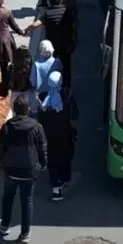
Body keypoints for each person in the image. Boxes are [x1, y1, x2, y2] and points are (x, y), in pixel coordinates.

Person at [0, 95, 46, 243]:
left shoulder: (7, 127)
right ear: (28, 110)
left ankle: (4, 225)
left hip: (10, 171)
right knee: (27, 200)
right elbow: (42, 148)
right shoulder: (36, 127)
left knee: (8, 198)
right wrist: (42, 164)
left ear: (14, 110)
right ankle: (25, 233)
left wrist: (4, 162)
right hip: (29, 171)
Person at [38, 71, 75, 201]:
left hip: (48, 137)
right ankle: (64, 178)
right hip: (64, 135)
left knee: (52, 163)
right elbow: (75, 115)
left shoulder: (42, 98)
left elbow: (39, 117)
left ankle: (56, 189)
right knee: (65, 158)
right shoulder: (67, 97)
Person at [29, 0, 76, 89]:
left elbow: (36, 24)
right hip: (66, 43)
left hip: (53, 44)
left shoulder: (47, 14)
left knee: (52, 64)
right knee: (66, 64)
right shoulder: (67, 11)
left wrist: (26, 30)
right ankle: (66, 85)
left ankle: (52, 83)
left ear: (50, 3)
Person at [30, 39, 62, 116]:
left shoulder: (36, 65)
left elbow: (33, 82)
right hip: (55, 94)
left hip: (41, 97)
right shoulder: (57, 62)